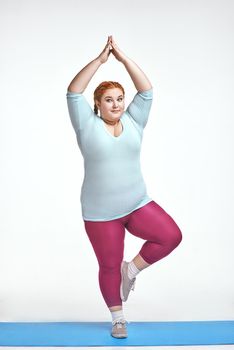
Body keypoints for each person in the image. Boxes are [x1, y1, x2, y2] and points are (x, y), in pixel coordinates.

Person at [66, 36, 182, 339]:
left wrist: (123, 58)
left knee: (171, 236)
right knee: (107, 265)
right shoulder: (86, 125)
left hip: (137, 204)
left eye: (120, 98)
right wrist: (100, 61)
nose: (116, 104)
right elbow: (73, 91)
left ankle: (130, 271)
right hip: (101, 213)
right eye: (109, 99)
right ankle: (118, 318)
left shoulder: (134, 121)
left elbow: (146, 89)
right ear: (97, 104)